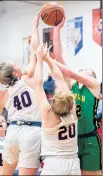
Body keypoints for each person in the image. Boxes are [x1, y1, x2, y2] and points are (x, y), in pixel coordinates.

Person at [0, 13, 41, 176]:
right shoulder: (27, 78)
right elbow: (34, 50)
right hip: (31, 132)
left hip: (13, 132)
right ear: (16, 72)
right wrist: (34, 26)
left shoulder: (4, 94)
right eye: (17, 65)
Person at [53, 20, 102, 175]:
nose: (81, 69)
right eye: (80, 68)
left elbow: (71, 72)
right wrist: (56, 30)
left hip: (89, 140)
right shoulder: (72, 85)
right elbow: (59, 57)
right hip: (71, 140)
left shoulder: (94, 85)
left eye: (85, 69)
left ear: (91, 76)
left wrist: (49, 61)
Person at [33, 44, 81, 175]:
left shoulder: (48, 115)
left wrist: (40, 59)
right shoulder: (73, 112)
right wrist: (48, 59)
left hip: (54, 163)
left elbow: (37, 83)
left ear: (53, 101)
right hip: (73, 162)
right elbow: (59, 78)